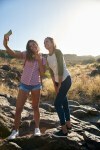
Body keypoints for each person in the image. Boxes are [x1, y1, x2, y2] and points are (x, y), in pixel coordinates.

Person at [3, 34, 46, 139]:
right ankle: (15, 131)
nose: (33, 46)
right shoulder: (26, 54)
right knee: (18, 109)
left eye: (34, 44)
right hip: (24, 85)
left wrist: (39, 59)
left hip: (36, 85)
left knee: (35, 107)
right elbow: (12, 54)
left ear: (37, 45)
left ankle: (37, 129)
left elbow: (43, 73)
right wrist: (5, 43)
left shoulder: (43, 58)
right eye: (30, 46)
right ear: (29, 48)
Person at [44, 37, 72, 137]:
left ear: (52, 43)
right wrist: (55, 85)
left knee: (57, 104)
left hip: (66, 80)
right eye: (44, 42)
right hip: (57, 82)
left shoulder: (58, 52)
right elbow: (51, 72)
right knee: (64, 102)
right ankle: (68, 124)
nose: (45, 43)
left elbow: (60, 69)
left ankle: (64, 130)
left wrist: (59, 85)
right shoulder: (48, 57)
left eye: (47, 41)